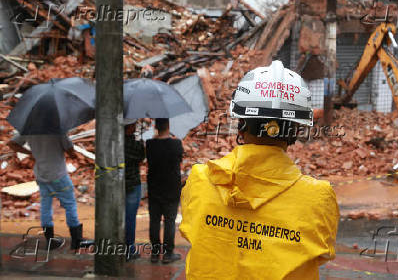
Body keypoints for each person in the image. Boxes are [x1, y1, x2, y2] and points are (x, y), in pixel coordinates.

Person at [180, 61, 339, 279]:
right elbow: (321, 253)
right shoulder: (318, 197)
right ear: (297, 128)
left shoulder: (200, 179)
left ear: (241, 121)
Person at [7, 134, 92, 250]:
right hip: (59, 175)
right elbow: (70, 150)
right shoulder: (57, 130)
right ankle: (77, 240)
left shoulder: (29, 129)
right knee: (70, 205)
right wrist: (73, 155)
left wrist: (31, 153)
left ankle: (50, 240)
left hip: (41, 175)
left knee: (46, 207)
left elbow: (12, 144)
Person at [146, 118, 184, 263]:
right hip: (171, 188)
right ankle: (168, 254)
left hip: (154, 187)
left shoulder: (150, 144)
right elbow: (179, 159)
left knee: (154, 220)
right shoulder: (176, 144)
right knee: (169, 221)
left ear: (156, 127)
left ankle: (155, 253)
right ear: (168, 126)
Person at [123, 119, 145, 261]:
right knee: (130, 218)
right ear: (130, 127)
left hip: (116, 184)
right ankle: (129, 249)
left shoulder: (114, 142)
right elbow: (142, 157)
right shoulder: (135, 144)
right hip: (132, 183)